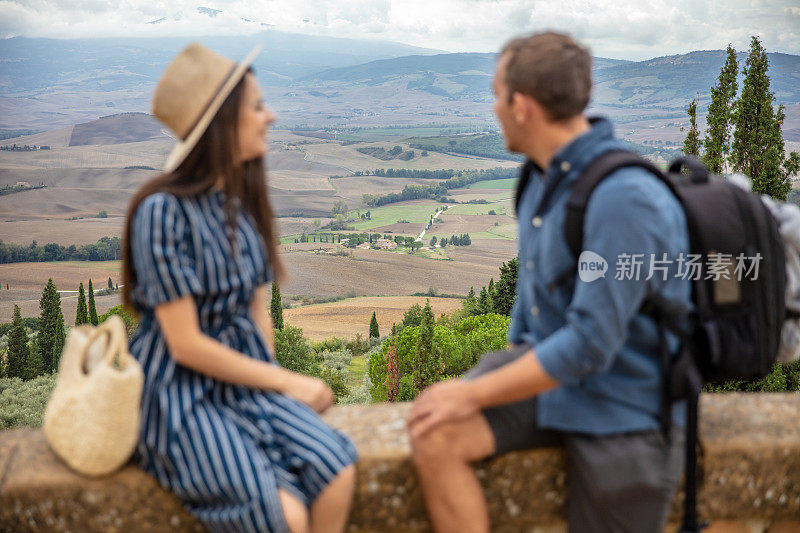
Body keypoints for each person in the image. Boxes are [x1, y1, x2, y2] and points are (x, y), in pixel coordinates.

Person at [407, 32, 691, 532]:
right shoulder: (541, 178)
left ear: (521, 106)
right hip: (551, 386)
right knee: (435, 432)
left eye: (496, 96)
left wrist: (474, 393)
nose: (493, 109)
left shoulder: (624, 197)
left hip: (625, 408)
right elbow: (531, 304)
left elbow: (590, 346)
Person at [121, 43, 357, 533]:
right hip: (182, 397)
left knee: (337, 470)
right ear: (222, 123)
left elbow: (258, 314)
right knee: (285, 516)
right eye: (256, 106)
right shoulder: (161, 213)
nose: (269, 116)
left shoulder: (240, 207)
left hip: (245, 387)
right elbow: (184, 344)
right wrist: (286, 383)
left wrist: (270, 382)